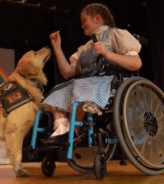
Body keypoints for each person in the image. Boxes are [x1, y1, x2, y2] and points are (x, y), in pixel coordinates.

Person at [43, 3, 142, 144]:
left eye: (84, 20)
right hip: (88, 83)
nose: (82, 25)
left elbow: (136, 63)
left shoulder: (115, 34)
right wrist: (57, 48)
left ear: (97, 18)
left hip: (111, 83)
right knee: (59, 91)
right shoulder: (86, 47)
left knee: (81, 87)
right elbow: (68, 71)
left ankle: (72, 131)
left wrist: (107, 53)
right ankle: (61, 130)